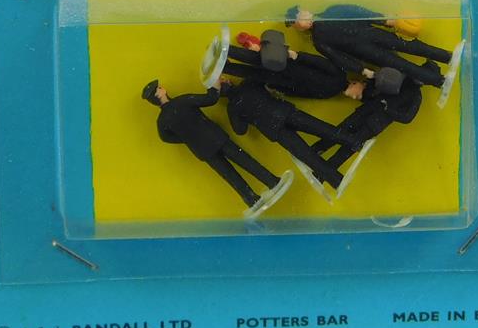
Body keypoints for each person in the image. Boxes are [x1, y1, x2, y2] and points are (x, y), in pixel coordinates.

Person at [141, 80, 287, 211]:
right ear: (159, 94)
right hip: (216, 137)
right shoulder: (182, 101)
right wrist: (214, 86)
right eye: (159, 88)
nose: (162, 88)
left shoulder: (162, 121)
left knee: (229, 175)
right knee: (245, 160)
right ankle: (271, 181)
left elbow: (165, 138)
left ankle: (251, 199)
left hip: (202, 149)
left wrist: (187, 139)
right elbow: (210, 99)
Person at [222, 80, 358, 189]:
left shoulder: (232, 108)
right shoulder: (248, 83)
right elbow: (268, 81)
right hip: (283, 111)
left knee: (306, 155)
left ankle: (336, 180)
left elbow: (240, 130)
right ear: (228, 82)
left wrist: (247, 116)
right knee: (321, 128)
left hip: (273, 129)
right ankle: (354, 141)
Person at [285, 3, 451, 88]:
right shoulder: (318, 40)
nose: (301, 22)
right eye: (296, 23)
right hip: (366, 52)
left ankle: (447, 56)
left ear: (304, 11)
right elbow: (339, 58)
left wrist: (383, 20)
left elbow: (358, 12)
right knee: (401, 64)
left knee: (410, 45)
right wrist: (361, 70)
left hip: (373, 34)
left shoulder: (331, 11)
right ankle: (439, 80)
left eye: (299, 17)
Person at [313, 68, 423, 169]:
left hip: (375, 121)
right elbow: (377, 85)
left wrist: (388, 109)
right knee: (342, 131)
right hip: (370, 113)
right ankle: (317, 151)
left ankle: (326, 167)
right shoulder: (401, 78)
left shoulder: (414, 93)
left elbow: (407, 117)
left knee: (350, 143)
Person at [220, 29, 348, 99]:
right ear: (356, 83)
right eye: (357, 95)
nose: (354, 97)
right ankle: (226, 56)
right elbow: (319, 63)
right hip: (289, 70)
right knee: (255, 64)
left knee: (254, 68)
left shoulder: (332, 91)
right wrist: (297, 56)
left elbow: (302, 93)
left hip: (286, 76)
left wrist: (281, 89)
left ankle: (225, 61)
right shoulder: (339, 77)